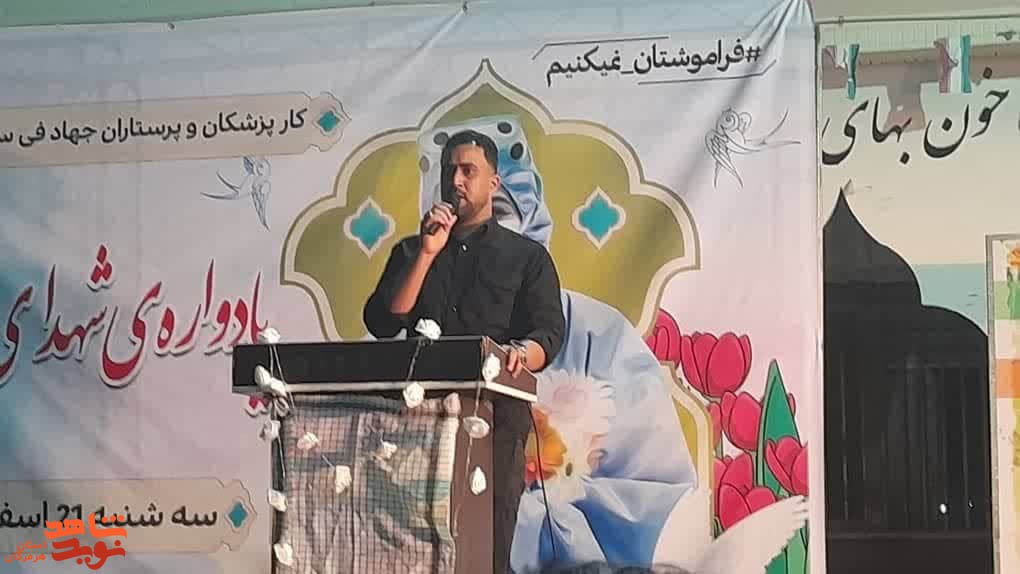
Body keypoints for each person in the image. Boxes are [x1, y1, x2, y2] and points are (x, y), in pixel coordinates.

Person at [363, 129, 566, 574]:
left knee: (486, 549)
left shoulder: (526, 257)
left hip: (495, 424)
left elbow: (549, 333)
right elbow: (384, 322)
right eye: (449, 170)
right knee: (413, 550)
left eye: (468, 171)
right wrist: (426, 254)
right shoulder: (411, 251)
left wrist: (522, 352)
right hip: (417, 427)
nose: (455, 180)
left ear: (493, 183)